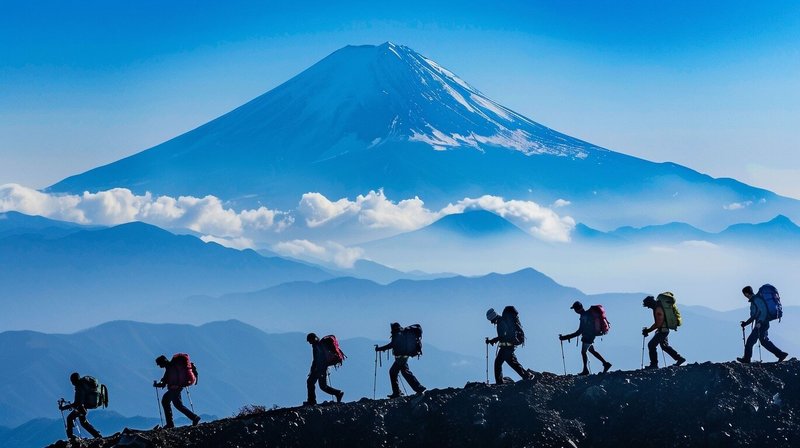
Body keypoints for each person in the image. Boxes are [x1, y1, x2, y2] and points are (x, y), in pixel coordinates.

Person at [737, 285, 788, 363]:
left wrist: (760, 322)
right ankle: (781, 354)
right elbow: (755, 315)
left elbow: (763, 311)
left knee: (750, 341)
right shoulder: (755, 300)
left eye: (744, 294)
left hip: (761, 324)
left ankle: (746, 359)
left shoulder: (756, 300)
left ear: (746, 294)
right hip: (763, 323)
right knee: (764, 341)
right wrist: (746, 323)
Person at [559, 301, 612, 375]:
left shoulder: (584, 316)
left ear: (576, 310)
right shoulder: (587, 314)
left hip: (588, 337)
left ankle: (585, 370)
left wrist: (565, 337)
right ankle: (606, 364)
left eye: (574, 309)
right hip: (591, 336)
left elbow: (579, 331)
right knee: (591, 350)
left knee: (583, 352)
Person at [375, 322, 426, 398]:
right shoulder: (402, 333)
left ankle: (399, 392)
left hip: (400, 358)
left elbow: (391, 345)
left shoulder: (397, 334)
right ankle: (417, 388)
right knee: (404, 372)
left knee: (394, 372)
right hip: (404, 357)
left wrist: (379, 349)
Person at [486, 307, 534, 384]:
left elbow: (504, 335)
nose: (492, 322)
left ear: (494, 317)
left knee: (498, 363)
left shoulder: (501, 322)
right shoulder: (503, 321)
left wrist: (494, 340)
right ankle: (527, 375)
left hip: (506, 347)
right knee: (513, 363)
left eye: (491, 320)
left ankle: (499, 382)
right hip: (509, 346)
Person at [154, 355, 201, 428]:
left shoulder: (170, 368)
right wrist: (159, 384)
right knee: (169, 402)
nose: (159, 366)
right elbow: (166, 381)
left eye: (159, 364)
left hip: (175, 389)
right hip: (175, 388)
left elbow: (166, 381)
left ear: (163, 362)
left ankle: (194, 418)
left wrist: (159, 385)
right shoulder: (170, 367)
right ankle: (171, 423)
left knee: (175, 404)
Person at [642, 296, 686, 369]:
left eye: (648, 306)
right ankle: (680, 359)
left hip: (663, 331)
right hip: (663, 330)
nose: (648, 308)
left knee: (651, 345)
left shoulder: (658, 309)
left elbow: (658, 323)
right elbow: (658, 323)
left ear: (650, 303)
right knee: (664, 346)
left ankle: (654, 364)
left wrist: (648, 330)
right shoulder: (659, 307)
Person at [58, 372, 102, 440]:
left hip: (82, 407)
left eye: (72, 381)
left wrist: (64, 408)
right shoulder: (83, 385)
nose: (72, 383)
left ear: (74, 380)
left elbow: (76, 403)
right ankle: (97, 435)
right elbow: (78, 402)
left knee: (69, 418)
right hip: (84, 406)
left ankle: (71, 437)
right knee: (83, 423)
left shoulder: (79, 387)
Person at [304, 333, 344, 406]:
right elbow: (316, 359)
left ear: (314, 339)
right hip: (320, 368)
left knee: (319, 385)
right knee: (314, 383)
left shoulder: (318, 346)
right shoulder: (317, 345)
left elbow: (316, 359)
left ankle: (312, 401)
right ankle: (312, 401)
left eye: (310, 341)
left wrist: (313, 369)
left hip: (320, 368)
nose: (309, 343)